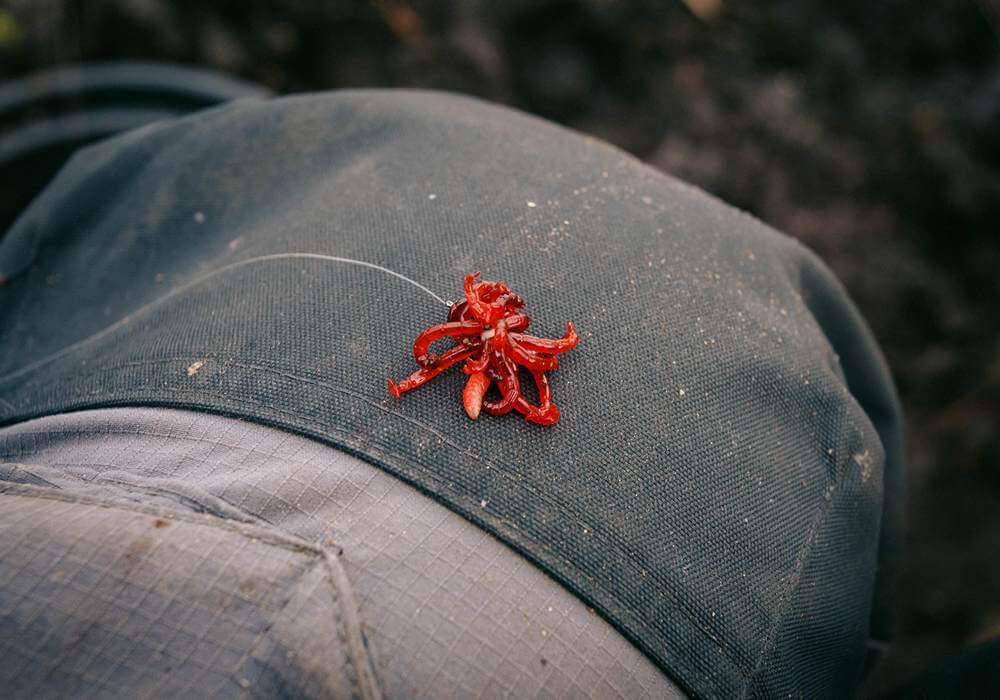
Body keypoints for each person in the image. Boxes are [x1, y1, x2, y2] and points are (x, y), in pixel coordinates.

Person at [0, 67, 902, 699]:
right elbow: (470, 350)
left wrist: (481, 364)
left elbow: (513, 356)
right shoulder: (478, 339)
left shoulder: (494, 341)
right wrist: (451, 368)